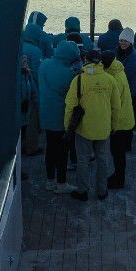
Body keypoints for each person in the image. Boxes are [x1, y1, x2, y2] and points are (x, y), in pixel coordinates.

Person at [63, 47, 120, 201]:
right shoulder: (110, 79)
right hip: (103, 127)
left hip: (84, 128)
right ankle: (102, 191)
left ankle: (82, 191)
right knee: (102, 158)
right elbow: (116, 106)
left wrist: (68, 126)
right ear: (100, 62)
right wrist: (114, 125)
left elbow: (70, 105)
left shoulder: (78, 80)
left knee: (83, 159)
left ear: (86, 61)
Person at [39, 40, 81, 191]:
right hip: (61, 117)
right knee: (63, 151)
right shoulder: (67, 74)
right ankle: (61, 183)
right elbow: (73, 93)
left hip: (45, 114)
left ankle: (50, 180)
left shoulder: (44, 64)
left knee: (50, 148)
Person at [102, 48, 136, 190]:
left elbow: (114, 105)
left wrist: (111, 125)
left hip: (119, 123)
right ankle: (118, 175)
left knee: (117, 153)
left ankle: (119, 179)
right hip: (127, 118)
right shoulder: (119, 70)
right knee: (120, 153)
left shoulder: (113, 79)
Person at [116, 27, 136, 95]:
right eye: (121, 40)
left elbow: (128, 76)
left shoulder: (133, 57)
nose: (123, 43)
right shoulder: (117, 50)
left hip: (127, 91)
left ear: (131, 42)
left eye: (125, 41)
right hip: (118, 88)